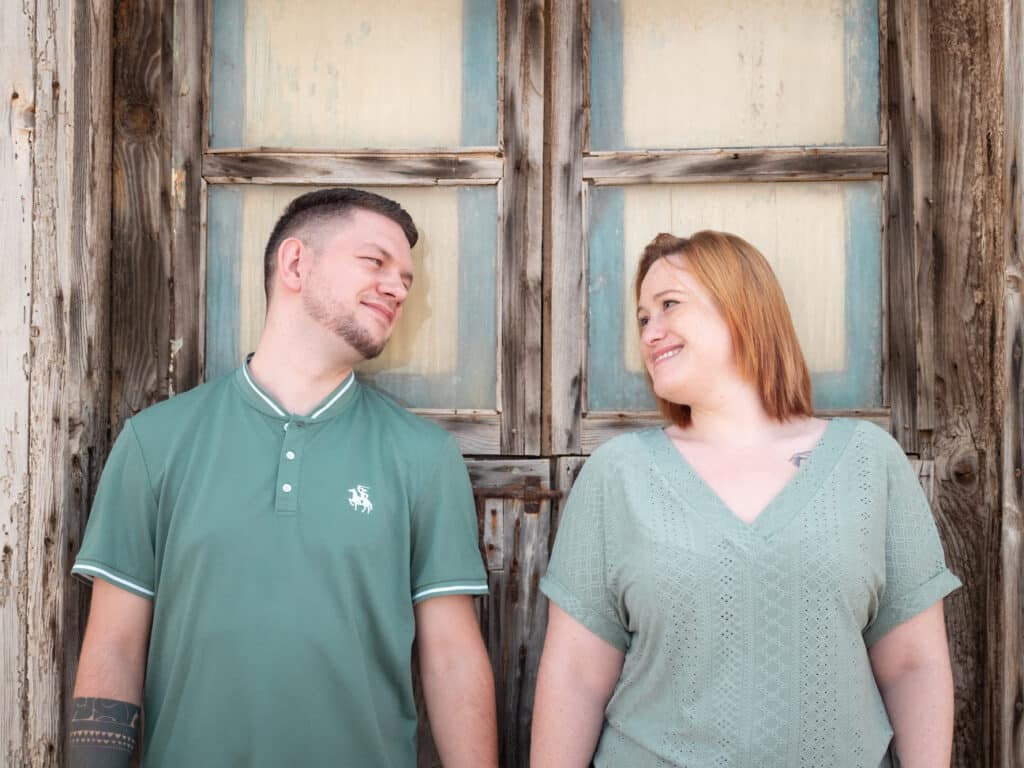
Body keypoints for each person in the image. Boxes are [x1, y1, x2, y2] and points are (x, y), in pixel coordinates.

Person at [69, 188, 498, 767]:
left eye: (406, 278)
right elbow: (114, 648)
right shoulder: (156, 442)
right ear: (296, 263)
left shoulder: (422, 456)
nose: (397, 287)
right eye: (375, 262)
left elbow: (451, 658)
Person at [531, 231, 960, 767]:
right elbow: (575, 675)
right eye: (643, 318)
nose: (651, 331)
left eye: (669, 305)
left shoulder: (868, 462)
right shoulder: (619, 475)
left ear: (743, 308)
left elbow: (913, 665)